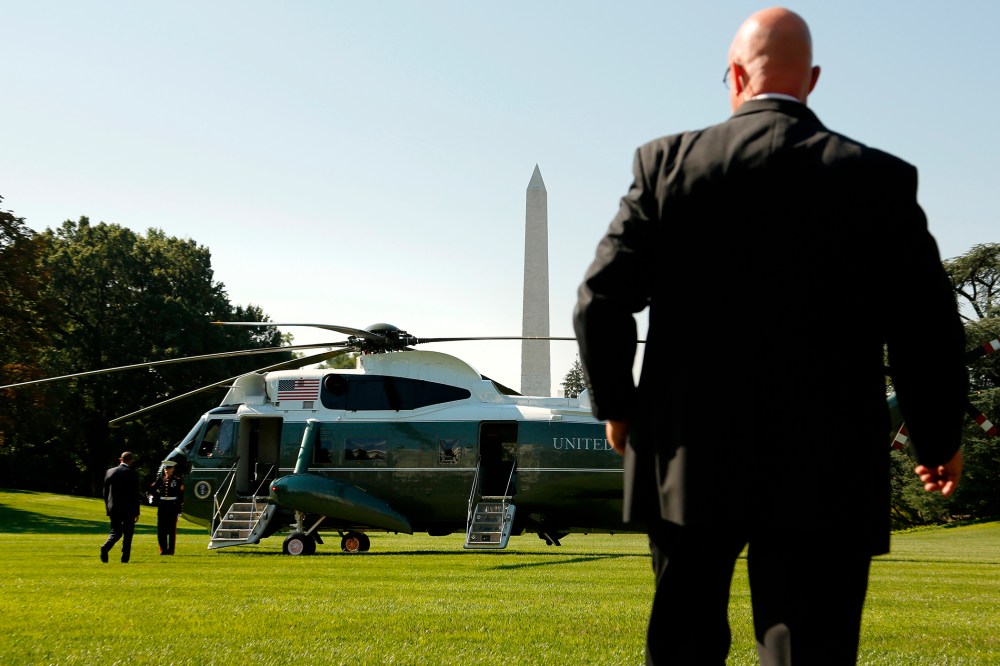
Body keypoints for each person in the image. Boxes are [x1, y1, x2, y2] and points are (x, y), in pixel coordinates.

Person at [573, 7, 968, 665]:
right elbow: (926, 327)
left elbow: (601, 299)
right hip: (828, 460)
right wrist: (938, 438)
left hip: (686, 457)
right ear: (811, 80)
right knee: (810, 649)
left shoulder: (665, 164)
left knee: (683, 643)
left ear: (733, 75)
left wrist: (617, 404)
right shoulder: (879, 179)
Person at [100, 451, 142, 564]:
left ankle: (106, 546)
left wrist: (108, 508)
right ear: (131, 461)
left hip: (114, 508)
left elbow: (105, 493)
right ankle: (125, 558)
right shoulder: (132, 474)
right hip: (128, 509)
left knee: (116, 532)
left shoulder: (109, 472)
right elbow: (135, 495)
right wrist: (136, 512)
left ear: (120, 459)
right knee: (128, 534)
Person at [148, 460, 184, 555]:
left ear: (173, 469)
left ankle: (170, 550)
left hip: (172, 506)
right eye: (165, 468)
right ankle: (163, 549)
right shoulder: (161, 480)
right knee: (161, 529)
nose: (166, 470)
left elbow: (181, 496)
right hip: (162, 506)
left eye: (168, 468)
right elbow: (151, 489)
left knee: (171, 530)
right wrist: (156, 497)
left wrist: (179, 509)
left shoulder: (177, 481)